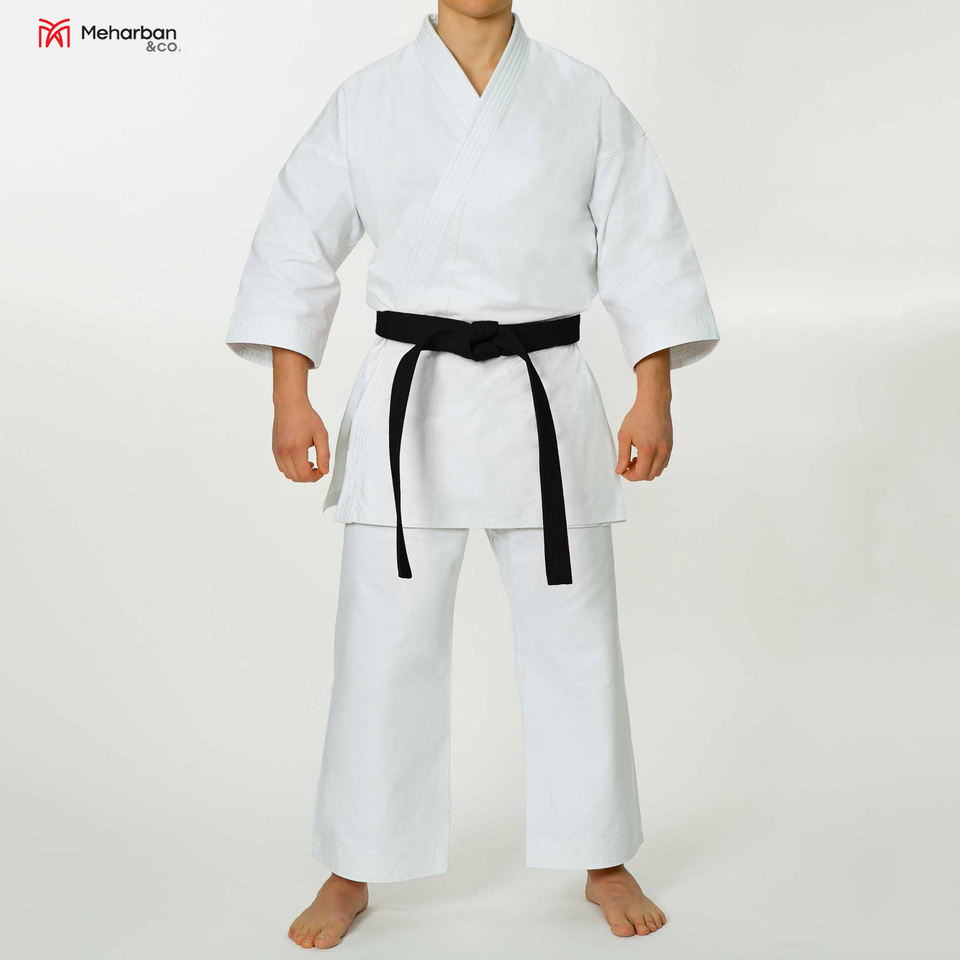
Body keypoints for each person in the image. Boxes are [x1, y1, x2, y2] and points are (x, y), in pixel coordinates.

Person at [227, 0, 718, 947]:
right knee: (382, 645)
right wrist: (292, 394)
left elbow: (647, 245)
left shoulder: (582, 97)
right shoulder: (369, 99)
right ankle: (353, 865)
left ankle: (602, 853)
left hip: (546, 396)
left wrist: (653, 392)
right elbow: (294, 242)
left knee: (575, 637)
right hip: (410, 407)